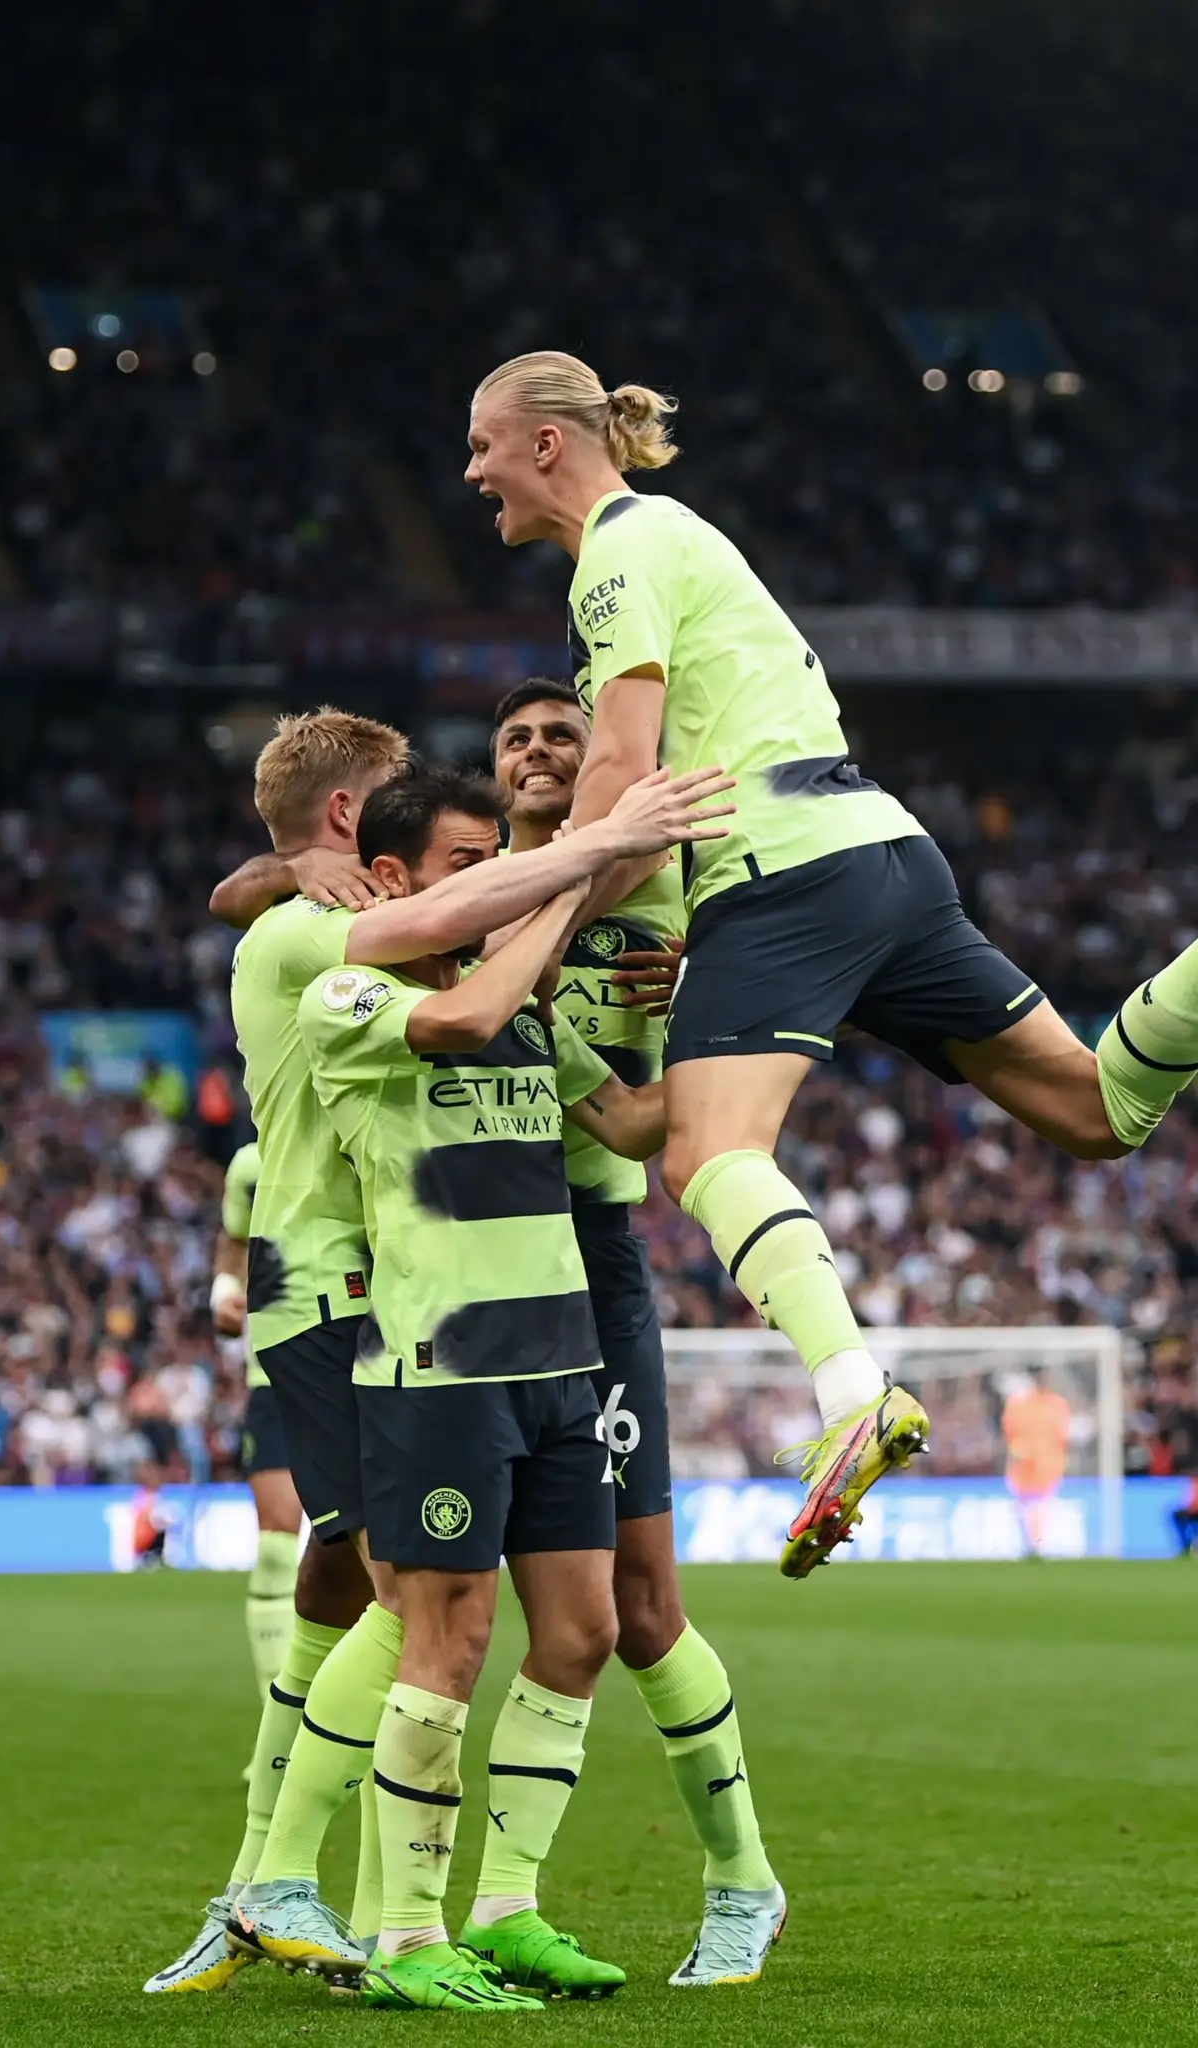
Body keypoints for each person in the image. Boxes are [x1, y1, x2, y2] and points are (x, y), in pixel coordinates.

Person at [463, 348, 1198, 1577]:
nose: (472, 472)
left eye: (483, 443)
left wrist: (527, 933)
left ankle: (853, 1396)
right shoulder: (676, 537)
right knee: (1099, 1110)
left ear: (547, 443)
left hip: (777, 863)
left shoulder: (617, 553)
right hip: (885, 850)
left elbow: (618, 779)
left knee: (712, 1154)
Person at [146, 710, 732, 1994]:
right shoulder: (323, 944)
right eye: (436, 834)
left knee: (401, 1593)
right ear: (366, 832)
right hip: (347, 1294)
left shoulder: (429, 956)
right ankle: (306, 1884)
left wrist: (740, 1016)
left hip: (484, 1323)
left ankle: (328, 1879)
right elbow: (436, 977)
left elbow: (621, 1109)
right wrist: (598, 858)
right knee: (406, 1601)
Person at [298, 764, 685, 2010]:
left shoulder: (529, 1012)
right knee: (449, 1637)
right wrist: (573, 883)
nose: (496, 880)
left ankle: (508, 1907)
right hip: (440, 1373)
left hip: (561, 1369)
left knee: (583, 1632)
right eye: (474, 866)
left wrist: (738, 1010)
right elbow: (459, 1020)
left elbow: (631, 1128)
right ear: (397, 879)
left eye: (494, 862)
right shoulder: (347, 991)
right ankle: (407, 1932)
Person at [492, 677, 785, 1986]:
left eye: (565, 732)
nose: (545, 751)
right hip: (452, 1271)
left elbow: (661, 1120)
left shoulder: (674, 889)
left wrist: (689, 1012)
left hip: (588, 1263)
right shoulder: (464, 888)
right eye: (519, 739)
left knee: (641, 1606)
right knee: (419, 1605)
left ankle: (741, 1882)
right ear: (491, 774)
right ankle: (328, 1893)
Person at [211, 1140, 302, 1699]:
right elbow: (234, 1241)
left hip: (362, 1371)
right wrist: (225, 1291)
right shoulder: (250, 1163)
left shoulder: (367, 1132)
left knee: (365, 1564)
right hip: (275, 1374)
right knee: (275, 1550)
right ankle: (280, 1725)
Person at [1001, 1369, 1071, 1561]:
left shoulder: (1054, 1404)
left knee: (1039, 1504)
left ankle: (1038, 1545)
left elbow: (1063, 1434)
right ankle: (1032, 1544)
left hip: (1044, 1463)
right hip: (1027, 1463)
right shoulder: (1022, 1404)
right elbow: (1010, 1432)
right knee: (1029, 1505)